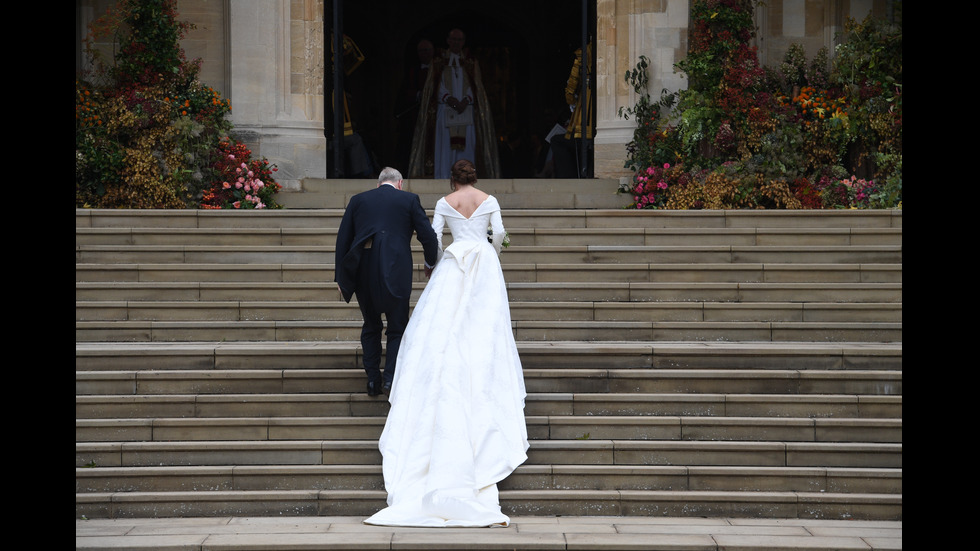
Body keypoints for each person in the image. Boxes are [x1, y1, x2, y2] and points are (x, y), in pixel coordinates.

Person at [364, 159, 528, 527]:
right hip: (483, 261)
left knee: (443, 322)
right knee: (485, 324)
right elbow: (499, 235)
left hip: (454, 262)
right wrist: (493, 251)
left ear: (453, 179)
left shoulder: (443, 202)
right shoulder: (489, 200)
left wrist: (430, 265)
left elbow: (434, 238)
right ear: (475, 178)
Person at [334, 167, 440, 396]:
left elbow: (343, 239)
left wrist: (340, 277)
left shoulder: (358, 200)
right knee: (397, 327)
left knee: (371, 326)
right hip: (397, 270)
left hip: (364, 271)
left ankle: (372, 379)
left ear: (379, 183)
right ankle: (390, 379)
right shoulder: (409, 199)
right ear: (400, 183)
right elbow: (428, 237)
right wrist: (431, 262)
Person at [408, 29, 500, 180]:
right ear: (448, 41)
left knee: (466, 148)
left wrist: (465, 100)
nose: (457, 43)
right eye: (454, 40)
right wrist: (448, 98)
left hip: (466, 111)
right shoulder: (438, 62)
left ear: (463, 42)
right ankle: (444, 178)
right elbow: (433, 85)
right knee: (444, 148)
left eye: (460, 40)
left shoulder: (471, 63)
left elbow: (476, 85)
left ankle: (465, 179)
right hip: (445, 111)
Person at [552, 42, 594, 178]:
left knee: (561, 141)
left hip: (585, 107)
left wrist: (571, 100)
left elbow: (572, 84)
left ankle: (570, 177)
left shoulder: (584, 53)